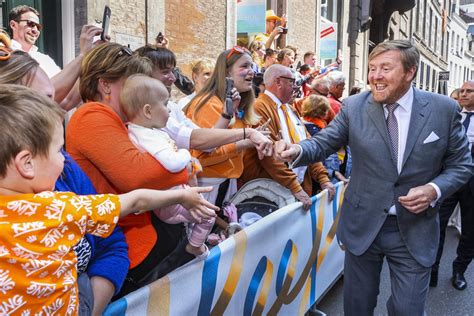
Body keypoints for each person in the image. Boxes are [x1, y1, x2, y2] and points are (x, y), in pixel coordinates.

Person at [275, 40, 473, 315]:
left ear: (409, 72)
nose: (375, 76)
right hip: (363, 226)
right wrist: (295, 149)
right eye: (372, 68)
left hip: (415, 230)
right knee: (358, 307)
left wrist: (433, 190)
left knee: (408, 310)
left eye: (385, 68)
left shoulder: (443, 110)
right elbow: (323, 144)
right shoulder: (355, 107)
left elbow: (462, 165)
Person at [67, 43, 272, 297]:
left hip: (143, 234)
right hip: (131, 243)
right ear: (105, 85)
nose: (136, 89)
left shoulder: (119, 117)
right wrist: (187, 166)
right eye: (129, 81)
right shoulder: (92, 115)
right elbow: (138, 174)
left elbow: (183, 140)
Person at [0, 84, 217, 315]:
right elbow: (135, 201)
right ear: (27, 164)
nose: (65, 160)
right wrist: (182, 194)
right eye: (58, 150)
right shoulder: (59, 208)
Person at [120, 74, 215, 260]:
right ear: (148, 111)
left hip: (171, 198)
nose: (169, 110)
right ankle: (195, 247)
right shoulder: (148, 136)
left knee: (196, 217)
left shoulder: (145, 131)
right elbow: (172, 162)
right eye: (165, 105)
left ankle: (192, 241)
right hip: (170, 203)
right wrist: (187, 155)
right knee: (208, 215)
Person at [240, 64, 334, 210]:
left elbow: (308, 145)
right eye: (292, 82)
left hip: (291, 193)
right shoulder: (259, 108)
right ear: (278, 82)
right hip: (270, 197)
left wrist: (323, 178)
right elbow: (269, 155)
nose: (296, 87)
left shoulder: (290, 109)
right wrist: (295, 187)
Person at [185, 46, 262, 206]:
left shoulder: (237, 103)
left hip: (225, 185)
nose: (251, 72)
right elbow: (202, 155)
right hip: (207, 188)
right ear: (227, 73)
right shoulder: (209, 104)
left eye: (251, 66)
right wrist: (244, 142)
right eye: (244, 66)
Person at [8, 5, 101, 107]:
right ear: (13, 25)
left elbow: (68, 99)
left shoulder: (46, 60)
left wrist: (92, 56)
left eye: (38, 27)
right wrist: (83, 55)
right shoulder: (5, 54)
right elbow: (40, 100)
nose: (35, 30)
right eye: (30, 24)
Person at [431, 80, 474, 290]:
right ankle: (432, 270)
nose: (464, 94)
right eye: (462, 91)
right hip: (449, 179)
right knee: (436, 225)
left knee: (470, 231)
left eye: (469, 91)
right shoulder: (452, 117)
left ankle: (459, 271)